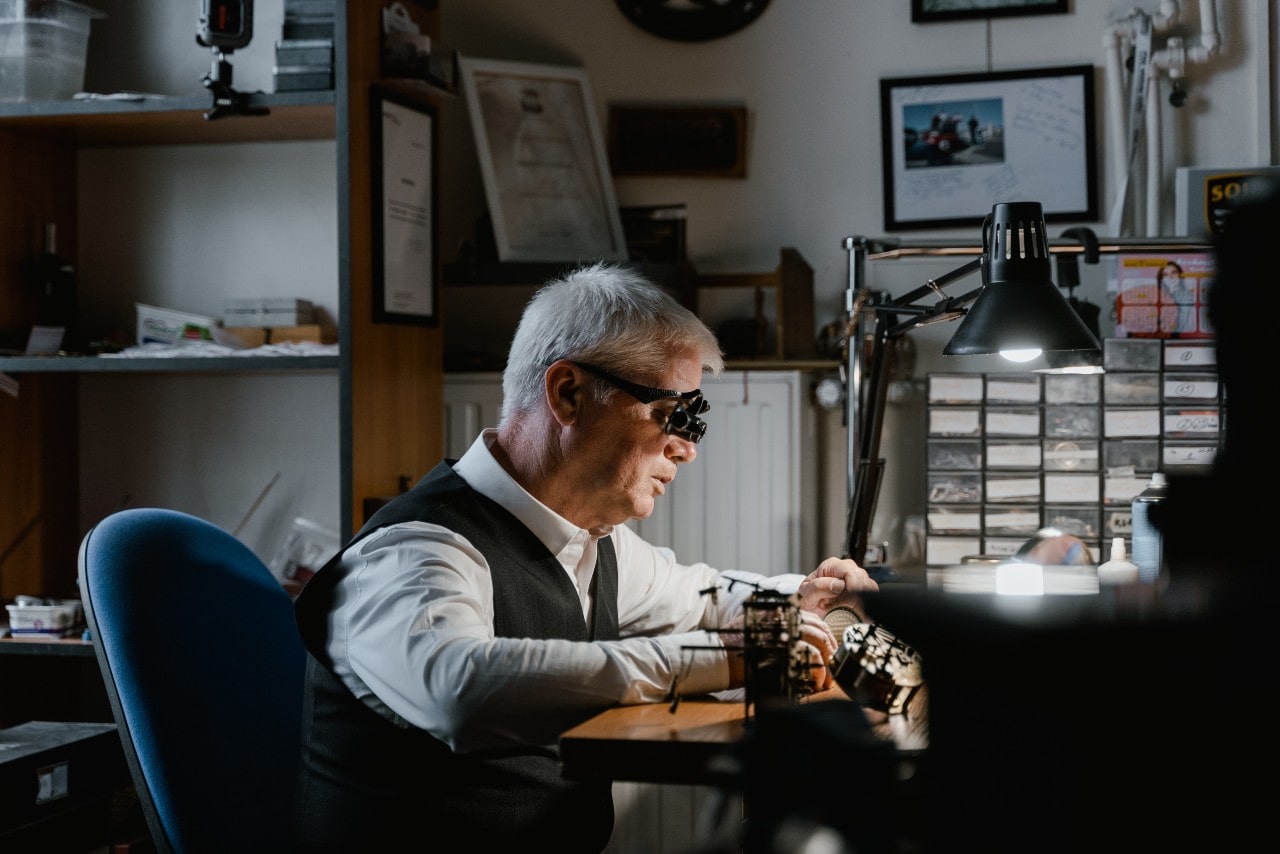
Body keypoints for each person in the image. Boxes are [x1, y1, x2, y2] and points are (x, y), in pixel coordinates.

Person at [290, 262, 879, 853]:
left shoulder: (590, 542)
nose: (686, 448)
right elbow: (459, 687)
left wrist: (807, 596)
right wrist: (723, 658)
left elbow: (703, 595)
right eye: (673, 414)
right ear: (568, 393)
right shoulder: (411, 551)